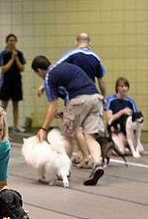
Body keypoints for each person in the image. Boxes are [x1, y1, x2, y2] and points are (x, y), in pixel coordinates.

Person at [31, 56, 105, 186]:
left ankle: (65, 170)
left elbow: (53, 106)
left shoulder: (49, 77)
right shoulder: (63, 66)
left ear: (39, 70)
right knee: (90, 136)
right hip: (96, 98)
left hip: (79, 99)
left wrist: (43, 129)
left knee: (65, 136)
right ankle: (97, 163)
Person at [53, 32, 106, 168]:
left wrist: (46, 84)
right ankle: (93, 160)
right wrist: (104, 97)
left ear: (77, 41)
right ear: (89, 42)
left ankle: (82, 158)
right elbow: (101, 80)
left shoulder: (72, 54)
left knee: (74, 129)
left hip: (76, 96)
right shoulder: (95, 58)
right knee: (89, 134)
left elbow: (55, 69)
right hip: (94, 96)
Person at [104, 77, 144, 158]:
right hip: (117, 130)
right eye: (121, 86)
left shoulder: (131, 101)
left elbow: (135, 117)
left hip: (128, 130)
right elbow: (109, 119)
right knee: (121, 151)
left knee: (140, 150)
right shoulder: (111, 99)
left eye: (126, 86)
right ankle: (111, 144)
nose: (124, 89)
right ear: (117, 88)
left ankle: (126, 144)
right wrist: (122, 112)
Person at [0, 33, 26, 133]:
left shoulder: (20, 54)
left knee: (16, 104)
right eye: (10, 40)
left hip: (16, 82)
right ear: (7, 42)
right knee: (4, 105)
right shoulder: (3, 54)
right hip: (6, 82)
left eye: (14, 40)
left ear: (16, 41)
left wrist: (16, 59)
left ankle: (15, 126)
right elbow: (3, 68)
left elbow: (22, 68)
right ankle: (0, 125)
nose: (12, 42)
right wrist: (12, 59)